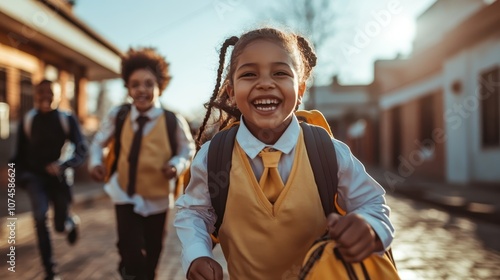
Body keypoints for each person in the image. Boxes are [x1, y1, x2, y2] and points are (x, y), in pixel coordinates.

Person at [174, 27, 395, 280]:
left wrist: (370, 226)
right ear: (232, 91)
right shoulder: (214, 156)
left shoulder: (327, 151)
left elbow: (372, 202)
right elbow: (194, 211)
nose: (266, 83)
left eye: (280, 73)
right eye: (249, 74)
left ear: (300, 90)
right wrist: (196, 253)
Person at [89, 47, 195, 280]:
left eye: (149, 84)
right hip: (124, 193)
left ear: (160, 86)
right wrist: (96, 162)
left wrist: (176, 165)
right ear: (128, 88)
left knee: (153, 256)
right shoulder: (119, 115)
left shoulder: (171, 120)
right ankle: (129, 264)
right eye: (135, 84)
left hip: (157, 198)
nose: (142, 90)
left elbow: (187, 149)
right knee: (133, 252)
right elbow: (98, 143)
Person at [13, 79, 87, 280]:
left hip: (60, 179)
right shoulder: (28, 120)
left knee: (59, 226)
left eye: (50, 92)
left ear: (58, 95)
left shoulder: (66, 118)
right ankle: (50, 272)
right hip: (35, 179)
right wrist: (20, 177)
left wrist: (62, 165)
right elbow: (18, 156)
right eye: (41, 92)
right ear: (35, 95)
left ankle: (70, 222)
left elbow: (81, 149)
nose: (45, 96)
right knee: (39, 217)